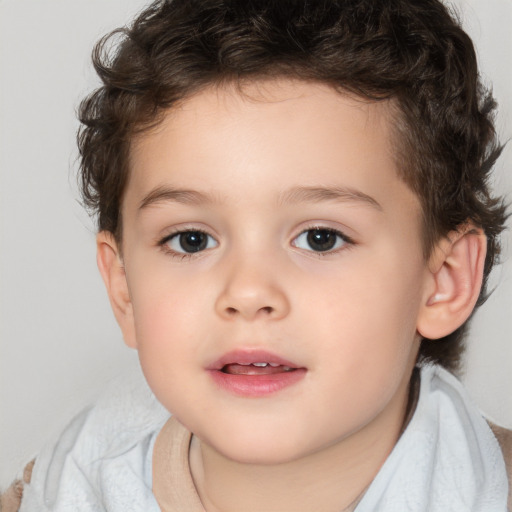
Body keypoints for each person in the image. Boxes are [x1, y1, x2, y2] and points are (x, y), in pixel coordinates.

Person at [2, 0, 511, 510]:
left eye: (320, 238)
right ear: (124, 288)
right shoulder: (63, 487)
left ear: (443, 281)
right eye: (191, 240)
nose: (247, 293)